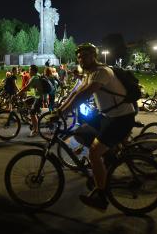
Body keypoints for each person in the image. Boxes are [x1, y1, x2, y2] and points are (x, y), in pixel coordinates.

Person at [56, 43, 135, 211]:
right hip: (108, 116)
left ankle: (101, 197)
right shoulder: (89, 73)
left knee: (93, 152)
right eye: (79, 57)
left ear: (93, 56)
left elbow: (85, 94)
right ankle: (108, 158)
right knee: (82, 131)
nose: (81, 59)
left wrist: (63, 113)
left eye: (84, 56)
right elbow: (76, 92)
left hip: (120, 117)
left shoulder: (102, 72)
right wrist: (60, 110)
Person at [17, 65, 46, 137]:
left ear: (33, 71)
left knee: (32, 113)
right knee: (26, 101)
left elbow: (26, 88)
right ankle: (34, 117)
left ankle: (35, 130)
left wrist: (17, 94)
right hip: (38, 96)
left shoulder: (34, 78)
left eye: (30, 70)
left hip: (39, 97)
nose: (28, 71)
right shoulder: (38, 75)